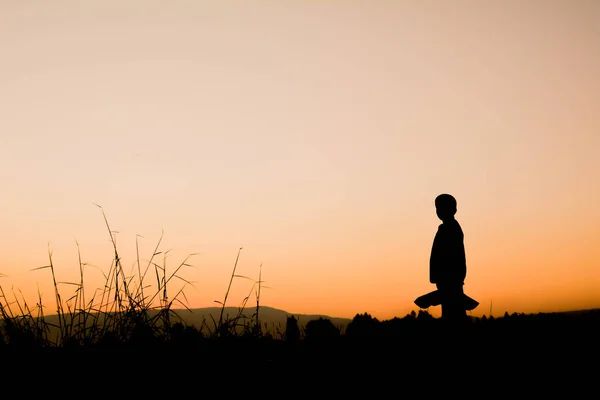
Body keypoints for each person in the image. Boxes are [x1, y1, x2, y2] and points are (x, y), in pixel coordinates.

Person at [429, 193, 468, 322]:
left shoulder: (450, 229)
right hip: (448, 282)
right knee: (451, 316)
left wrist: (447, 279)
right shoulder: (448, 228)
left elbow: (450, 257)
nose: (439, 211)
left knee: (453, 319)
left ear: (453, 210)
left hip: (450, 282)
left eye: (442, 207)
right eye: (437, 208)